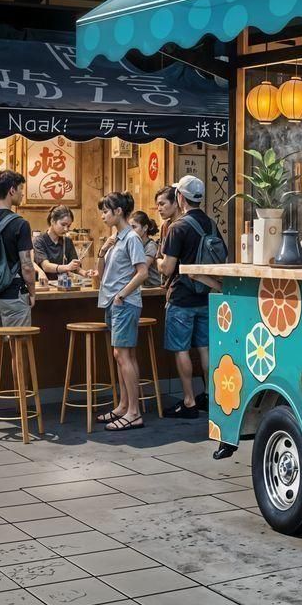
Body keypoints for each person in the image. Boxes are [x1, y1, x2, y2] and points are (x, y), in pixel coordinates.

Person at [159, 175, 223, 419]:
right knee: (205, 348)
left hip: (182, 297)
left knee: (182, 350)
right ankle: (209, 395)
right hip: (205, 295)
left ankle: (188, 401)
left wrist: (155, 261)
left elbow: (167, 268)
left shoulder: (178, 227)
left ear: (180, 197)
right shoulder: (211, 224)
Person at [95, 191, 149, 432]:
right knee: (122, 355)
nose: (103, 216)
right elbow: (102, 274)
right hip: (113, 302)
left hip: (124, 303)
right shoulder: (116, 239)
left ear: (118, 211)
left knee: (123, 355)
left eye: (106, 211)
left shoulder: (131, 238)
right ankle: (123, 406)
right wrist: (102, 251)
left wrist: (122, 295)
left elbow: (142, 272)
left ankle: (134, 413)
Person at [0, 171, 37, 388]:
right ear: (12, 190)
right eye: (21, 189)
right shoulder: (20, 224)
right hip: (13, 295)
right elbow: (27, 264)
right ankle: (21, 403)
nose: (22, 194)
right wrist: (32, 292)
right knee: (17, 350)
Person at [33, 206, 82, 286]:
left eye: (68, 226)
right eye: (63, 224)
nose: (66, 229)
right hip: (44, 286)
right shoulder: (39, 241)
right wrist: (67, 267)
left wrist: (85, 273)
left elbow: (75, 267)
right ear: (52, 221)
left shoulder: (67, 241)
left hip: (63, 286)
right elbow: (46, 266)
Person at [153, 185, 180, 275]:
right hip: (167, 280)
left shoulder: (183, 226)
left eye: (162, 204)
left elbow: (166, 267)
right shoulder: (165, 226)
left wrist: (160, 261)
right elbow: (159, 255)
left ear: (175, 203)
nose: (159, 209)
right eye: (158, 205)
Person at [129, 211, 161, 283]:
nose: (131, 231)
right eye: (129, 228)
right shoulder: (135, 244)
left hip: (152, 287)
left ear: (145, 227)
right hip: (139, 286)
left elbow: (140, 270)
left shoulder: (151, 246)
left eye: (134, 227)